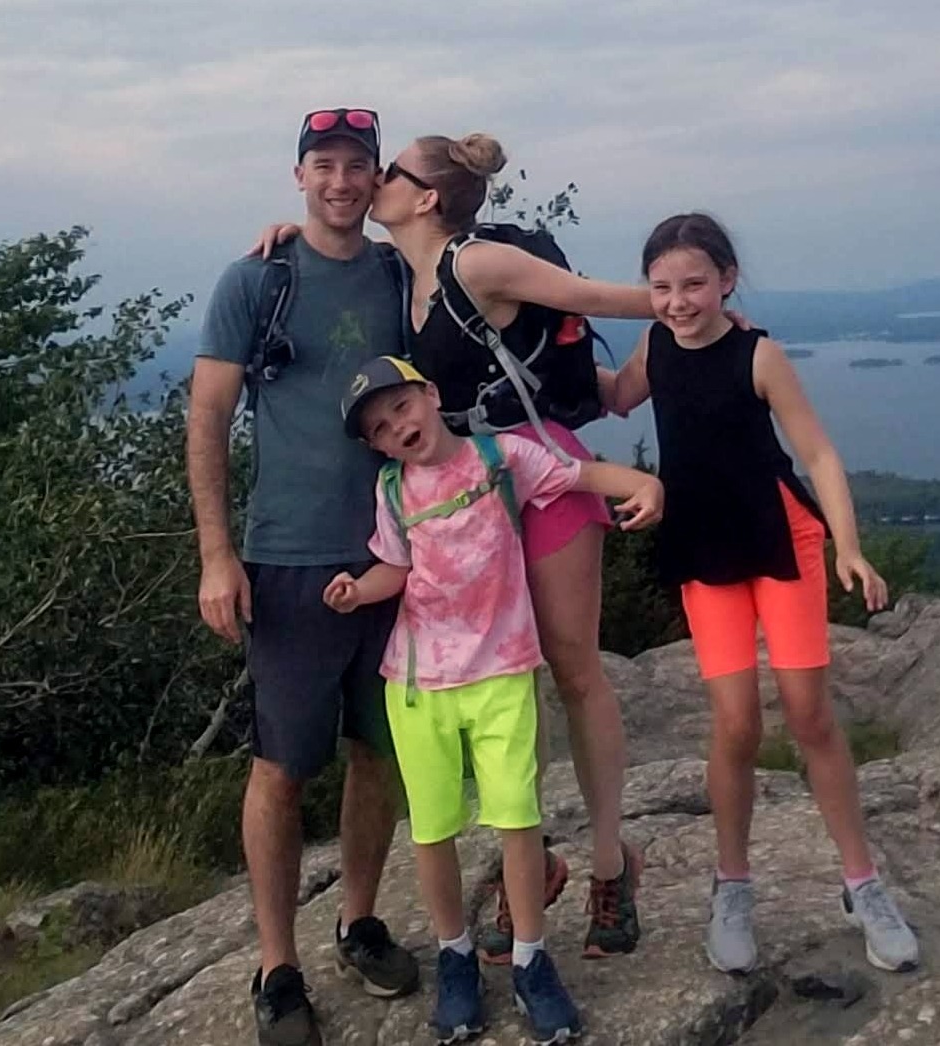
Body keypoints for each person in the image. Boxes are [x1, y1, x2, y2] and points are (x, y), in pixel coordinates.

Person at [600, 213, 922, 975]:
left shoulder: (758, 354)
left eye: (694, 284)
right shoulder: (655, 348)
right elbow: (613, 397)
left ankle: (862, 885)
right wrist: (533, 334)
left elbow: (818, 453)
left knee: (809, 713)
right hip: (702, 545)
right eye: (661, 288)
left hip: (781, 539)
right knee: (736, 723)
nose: (678, 301)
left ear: (727, 280)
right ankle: (732, 887)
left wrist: (848, 546)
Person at [365, 132, 658, 964]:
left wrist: (683, 300)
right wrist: (283, 234)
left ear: (425, 197)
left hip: (542, 477)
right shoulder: (407, 277)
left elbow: (594, 297)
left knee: (572, 668)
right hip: (466, 496)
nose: (376, 180)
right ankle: (534, 863)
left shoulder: (476, 262)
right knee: (504, 682)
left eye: (390, 171)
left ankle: (610, 864)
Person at [327, 355, 664, 1043]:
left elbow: (577, 475)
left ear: (431, 393)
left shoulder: (501, 457)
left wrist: (642, 482)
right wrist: (359, 591)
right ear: (376, 447)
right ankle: (454, 956)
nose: (397, 427)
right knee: (432, 830)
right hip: (418, 684)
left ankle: (532, 960)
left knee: (517, 820)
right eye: (380, 428)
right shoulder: (392, 491)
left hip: (502, 673)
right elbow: (395, 566)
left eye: (401, 407)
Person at [186, 106, 418, 1046]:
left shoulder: (403, 273)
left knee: (379, 751)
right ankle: (276, 967)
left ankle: (358, 920)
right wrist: (216, 554)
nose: (339, 181)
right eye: (323, 165)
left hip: (396, 553)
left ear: (377, 179)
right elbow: (208, 416)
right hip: (287, 555)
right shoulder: (256, 280)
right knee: (281, 767)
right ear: (298, 177)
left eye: (356, 165)